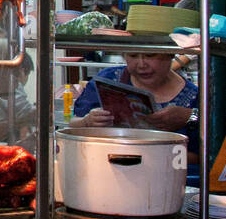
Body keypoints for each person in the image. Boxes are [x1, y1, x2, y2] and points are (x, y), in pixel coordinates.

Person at [68, 50, 200, 159]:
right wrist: (87, 122)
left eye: (150, 55)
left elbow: (203, 156)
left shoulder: (196, 97)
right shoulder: (107, 79)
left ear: (170, 54)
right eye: (133, 55)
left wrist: (189, 117)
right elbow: (72, 125)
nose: (141, 64)